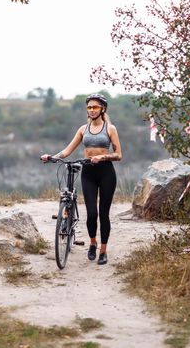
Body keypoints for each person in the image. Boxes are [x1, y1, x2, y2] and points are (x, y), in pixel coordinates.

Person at [41, 94, 122, 265]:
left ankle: (103, 250)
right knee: (91, 213)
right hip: (88, 173)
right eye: (89, 107)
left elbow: (118, 155)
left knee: (103, 214)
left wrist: (102, 157)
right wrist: (51, 157)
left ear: (103, 109)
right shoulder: (82, 129)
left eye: (95, 107)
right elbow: (67, 151)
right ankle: (92, 244)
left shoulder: (110, 129)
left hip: (106, 173)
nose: (92, 110)